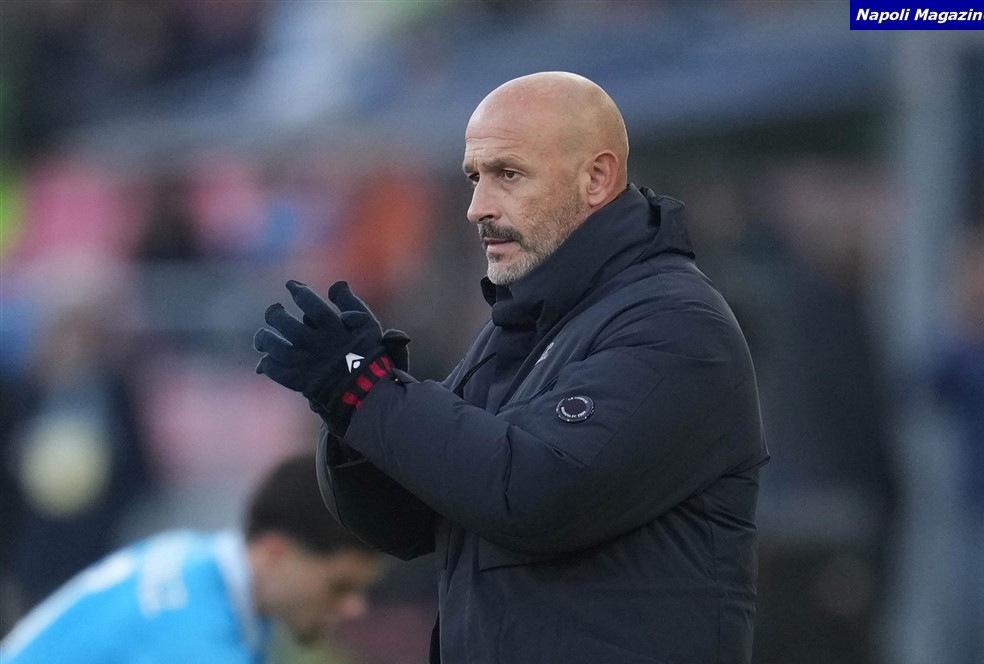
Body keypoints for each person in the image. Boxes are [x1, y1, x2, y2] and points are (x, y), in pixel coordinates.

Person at [252, 71, 769, 663]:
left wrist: (370, 393)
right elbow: (408, 522)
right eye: (475, 177)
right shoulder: (524, 324)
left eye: (508, 174)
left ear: (596, 178)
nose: (477, 208)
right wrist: (349, 406)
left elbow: (536, 495)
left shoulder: (674, 323)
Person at [0, 453, 380, 663]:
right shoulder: (201, 647)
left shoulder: (188, 554)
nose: (354, 607)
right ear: (274, 552)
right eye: (340, 586)